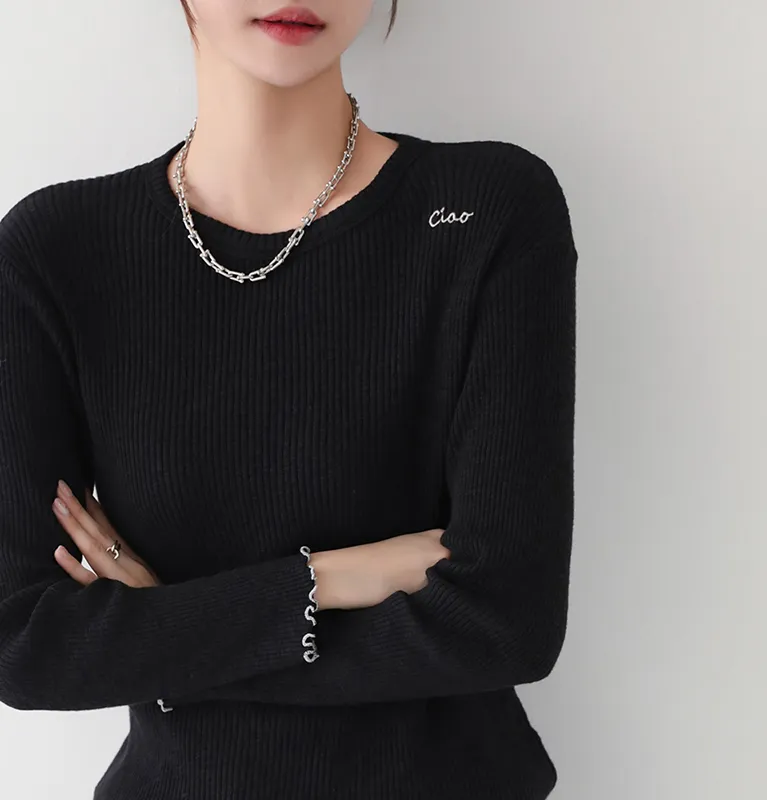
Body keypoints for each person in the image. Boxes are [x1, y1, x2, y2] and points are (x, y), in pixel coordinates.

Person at [0, 1, 578, 798]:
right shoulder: (57, 251)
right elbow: (25, 644)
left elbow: (505, 624)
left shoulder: (488, 210)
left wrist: (175, 632)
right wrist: (325, 582)